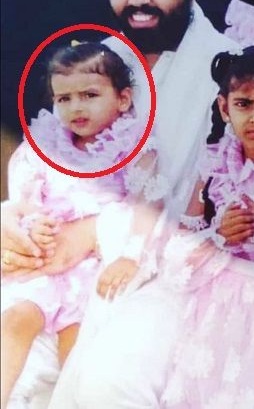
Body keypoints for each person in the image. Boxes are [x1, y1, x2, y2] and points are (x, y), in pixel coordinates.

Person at [2, 0, 237, 406]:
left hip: (169, 274)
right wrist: (12, 221)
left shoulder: (232, 69)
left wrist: (99, 232)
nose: (137, 0)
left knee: (101, 383)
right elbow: (45, 164)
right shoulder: (96, 61)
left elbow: (217, 209)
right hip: (54, 265)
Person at [59, 43, 254, 408]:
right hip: (221, 302)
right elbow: (183, 245)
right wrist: (220, 236)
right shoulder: (215, 167)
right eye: (244, 104)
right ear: (225, 108)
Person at [1, 42, 167, 408]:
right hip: (47, 262)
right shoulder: (43, 147)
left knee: (75, 351)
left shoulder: (135, 149)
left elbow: (146, 207)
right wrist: (34, 222)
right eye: (64, 99)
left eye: (89, 95)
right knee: (16, 319)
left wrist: (129, 256)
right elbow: (25, 198)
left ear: (123, 99)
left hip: (92, 266)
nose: (76, 107)